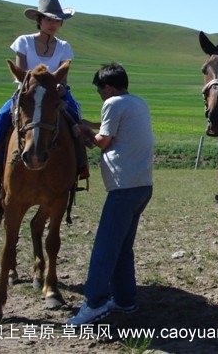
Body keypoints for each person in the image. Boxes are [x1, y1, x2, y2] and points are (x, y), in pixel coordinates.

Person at [0, 0, 87, 197]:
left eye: (57, 21)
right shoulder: (24, 41)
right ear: (39, 20)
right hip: (28, 93)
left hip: (53, 94)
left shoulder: (64, 47)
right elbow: (21, 73)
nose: (53, 24)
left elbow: (64, 77)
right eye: (49, 20)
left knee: (74, 112)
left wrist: (60, 88)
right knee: (0, 117)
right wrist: (30, 90)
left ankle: (79, 166)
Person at [68, 63, 154, 325]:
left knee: (105, 247)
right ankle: (125, 299)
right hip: (142, 186)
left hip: (123, 187)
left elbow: (102, 141)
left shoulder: (113, 103)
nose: (100, 94)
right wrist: (92, 124)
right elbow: (114, 128)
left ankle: (94, 302)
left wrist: (84, 131)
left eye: (100, 89)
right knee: (123, 246)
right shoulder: (137, 103)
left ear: (108, 86)